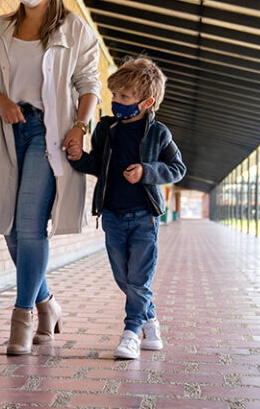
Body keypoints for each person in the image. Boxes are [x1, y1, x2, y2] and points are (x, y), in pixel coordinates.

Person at [0, 0, 101, 355]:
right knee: (11, 227)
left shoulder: (73, 30)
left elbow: (89, 83)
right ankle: (48, 304)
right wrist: (1, 101)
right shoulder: (1, 28)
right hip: (12, 129)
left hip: (51, 133)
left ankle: (22, 316)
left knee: (29, 223)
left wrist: (80, 125)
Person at [65, 56, 186, 360]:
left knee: (139, 279)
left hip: (144, 218)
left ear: (146, 102)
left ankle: (131, 332)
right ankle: (151, 321)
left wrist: (147, 171)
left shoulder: (159, 134)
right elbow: (96, 166)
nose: (116, 101)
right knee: (125, 278)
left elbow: (177, 168)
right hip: (112, 217)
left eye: (123, 96)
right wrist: (78, 157)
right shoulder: (107, 130)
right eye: (114, 95)